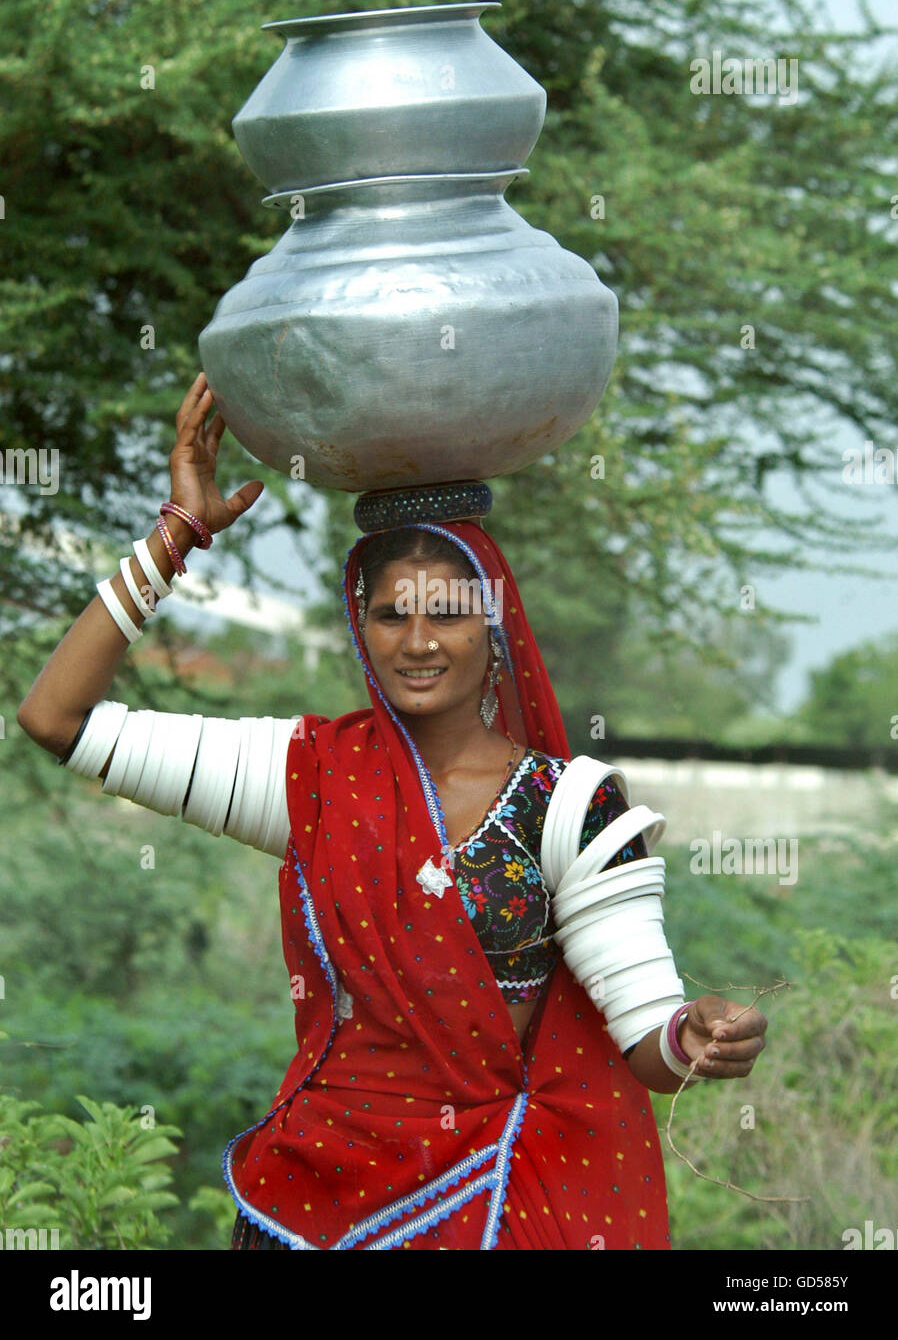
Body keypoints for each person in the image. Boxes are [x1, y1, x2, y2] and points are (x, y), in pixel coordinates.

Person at [18, 372, 768, 1251]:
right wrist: (178, 532)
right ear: (360, 627)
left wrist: (698, 1037)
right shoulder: (307, 775)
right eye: (389, 615)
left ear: (494, 628)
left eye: (447, 613)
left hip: (477, 1203)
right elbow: (56, 719)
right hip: (306, 1203)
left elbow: (649, 1037)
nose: (418, 641)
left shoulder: (569, 806)